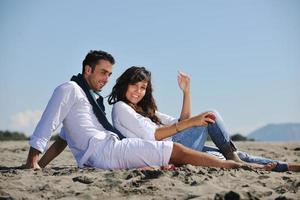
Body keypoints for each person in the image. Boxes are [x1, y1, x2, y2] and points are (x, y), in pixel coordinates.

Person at [25, 50, 261, 170]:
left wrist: (40, 165)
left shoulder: (88, 101)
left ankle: (261, 164)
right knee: (175, 149)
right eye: (103, 72)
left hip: (109, 148)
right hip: (106, 152)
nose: (107, 78)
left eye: (109, 74)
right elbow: (48, 124)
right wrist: (31, 162)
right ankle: (229, 164)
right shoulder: (70, 89)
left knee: (195, 150)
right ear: (88, 69)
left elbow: (62, 140)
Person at [108, 66, 300, 172]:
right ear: (125, 84)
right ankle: (232, 157)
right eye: (135, 85)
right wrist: (193, 122)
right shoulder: (120, 108)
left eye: (143, 87)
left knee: (236, 156)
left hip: (177, 144)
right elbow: (154, 135)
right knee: (210, 116)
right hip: (169, 151)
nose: (138, 91)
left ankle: (286, 166)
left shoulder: (146, 110)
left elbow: (181, 121)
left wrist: (186, 92)